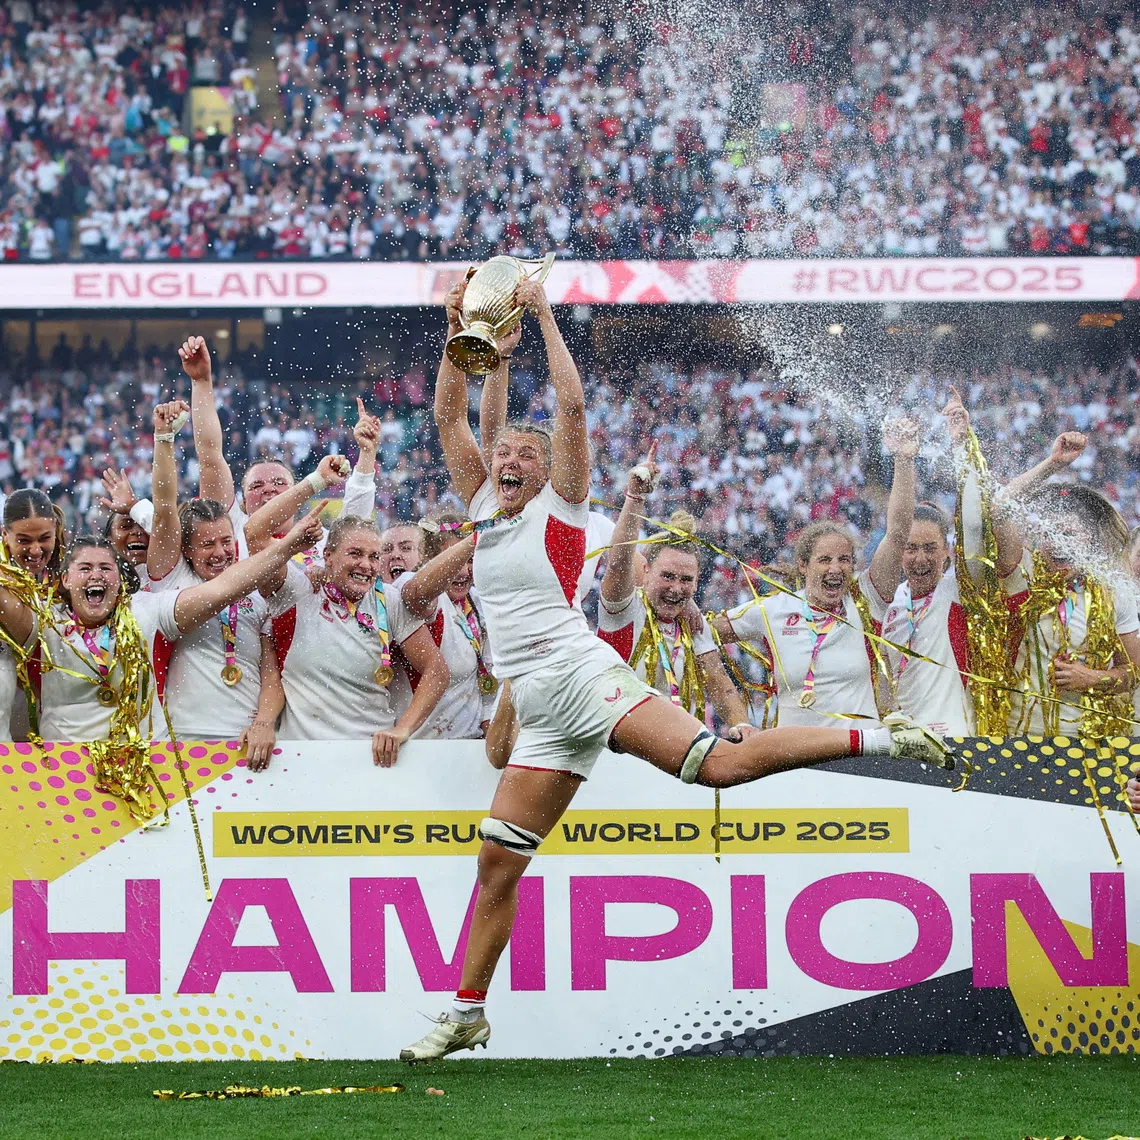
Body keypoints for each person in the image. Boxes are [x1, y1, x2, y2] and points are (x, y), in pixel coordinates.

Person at [399, 280, 950, 1063]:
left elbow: (574, 412)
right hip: (541, 707)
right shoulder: (485, 499)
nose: (512, 458)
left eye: (528, 453)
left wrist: (549, 316)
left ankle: (883, 740)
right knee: (498, 862)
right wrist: (456, 330)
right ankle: (466, 1013)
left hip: (582, 676)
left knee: (717, 767)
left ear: (550, 468)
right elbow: (449, 415)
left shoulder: (563, 504)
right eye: (506, 452)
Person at [0, 512, 324, 743]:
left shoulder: (148, 610)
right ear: (66, 579)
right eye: (85, 568)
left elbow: (224, 588)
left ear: (120, 577)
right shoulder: (43, 619)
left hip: (146, 766)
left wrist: (287, 547)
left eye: (105, 568)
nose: (96, 575)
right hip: (64, 768)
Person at [710, 418, 919, 728]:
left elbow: (899, 532)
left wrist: (903, 459)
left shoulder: (866, 599)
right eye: (825, 560)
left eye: (844, 560)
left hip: (859, 754)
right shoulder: (774, 609)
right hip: (797, 762)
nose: (836, 568)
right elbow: (700, 634)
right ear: (804, 565)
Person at [141, 401, 283, 769]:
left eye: (226, 542)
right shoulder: (172, 579)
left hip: (250, 742)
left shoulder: (256, 587)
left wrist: (265, 722)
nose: (221, 553)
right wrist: (164, 440)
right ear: (186, 549)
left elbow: (272, 671)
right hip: (180, 741)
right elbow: (164, 507)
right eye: (207, 545)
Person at [253, 513, 449, 763]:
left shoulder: (388, 600)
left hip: (372, 757)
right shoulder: (298, 592)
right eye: (355, 554)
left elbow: (437, 671)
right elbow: (256, 537)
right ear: (328, 557)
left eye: (374, 557)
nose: (366, 565)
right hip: (301, 758)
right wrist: (317, 482)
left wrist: (403, 729)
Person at [984, 431, 1140, 738]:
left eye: (1069, 534)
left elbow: (1133, 673)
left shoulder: (1113, 593)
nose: (1059, 543)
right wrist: (1052, 464)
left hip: (1087, 746)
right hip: (1018, 739)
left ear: (1090, 542)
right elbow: (999, 508)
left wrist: (1092, 678)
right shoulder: (1022, 576)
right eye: (1051, 534)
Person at [597, 448, 753, 734]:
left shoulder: (694, 624)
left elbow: (719, 684)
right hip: (618, 751)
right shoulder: (624, 607)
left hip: (676, 754)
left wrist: (742, 725)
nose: (676, 588)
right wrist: (635, 497)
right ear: (645, 572)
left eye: (686, 580)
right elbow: (619, 561)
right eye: (667, 577)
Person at [179, 336, 377, 559]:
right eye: (256, 485)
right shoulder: (231, 534)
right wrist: (202, 382)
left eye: (280, 483)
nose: (269, 489)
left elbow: (356, 520)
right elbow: (210, 458)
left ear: (296, 495)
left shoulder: (322, 545)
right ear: (243, 503)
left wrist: (368, 453)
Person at [396, 513, 494, 740]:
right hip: (420, 747)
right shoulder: (411, 585)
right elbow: (418, 597)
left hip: (469, 747)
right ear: (430, 558)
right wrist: (473, 539)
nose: (462, 571)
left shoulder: (478, 602)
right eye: (453, 560)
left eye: (469, 560)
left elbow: (488, 684)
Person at [0, 489, 66, 739]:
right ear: (5, 535)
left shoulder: (68, 578)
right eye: (24, 541)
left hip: (52, 720)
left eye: (43, 539)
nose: (36, 550)